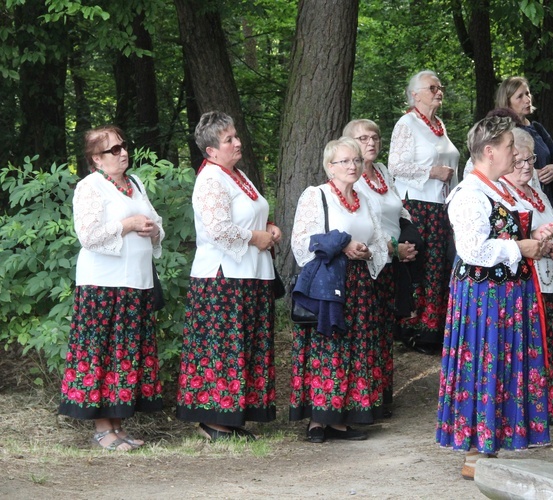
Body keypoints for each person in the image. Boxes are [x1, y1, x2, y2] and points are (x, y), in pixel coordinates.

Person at [436, 116, 553, 480]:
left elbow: (505, 230)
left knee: (500, 364)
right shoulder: (470, 193)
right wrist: (521, 246)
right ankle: (475, 449)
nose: (514, 152)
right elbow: (472, 249)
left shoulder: (499, 188)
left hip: (506, 294)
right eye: (508, 147)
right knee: (483, 363)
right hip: (484, 297)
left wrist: (536, 236)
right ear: (489, 152)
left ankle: (490, 444)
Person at [175, 111, 281, 440]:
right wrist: (255, 237)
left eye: (236, 135)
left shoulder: (238, 175)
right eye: (228, 140)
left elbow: (251, 215)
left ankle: (234, 417)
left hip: (250, 274)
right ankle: (213, 421)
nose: (237, 142)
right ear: (210, 151)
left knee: (245, 346)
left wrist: (269, 228)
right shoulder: (211, 179)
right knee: (222, 349)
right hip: (223, 279)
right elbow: (217, 229)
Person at [59, 125, 164, 451]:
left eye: (123, 146)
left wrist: (152, 230)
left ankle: (119, 426)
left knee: (126, 354)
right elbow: (88, 235)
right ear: (96, 159)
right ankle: (103, 430)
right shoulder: (89, 187)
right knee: (103, 353)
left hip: (136, 282)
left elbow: (157, 223)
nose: (122, 153)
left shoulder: (134, 183)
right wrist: (128, 225)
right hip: (103, 284)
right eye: (113, 150)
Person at [290, 136, 388, 443]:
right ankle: (318, 420)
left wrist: (368, 253)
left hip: (359, 285)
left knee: (355, 349)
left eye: (356, 160)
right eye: (344, 161)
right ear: (329, 167)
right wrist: (343, 246)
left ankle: (344, 419)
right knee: (325, 347)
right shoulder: (316, 195)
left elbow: (380, 242)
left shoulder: (366, 199)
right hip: (329, 283)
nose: (352, 166)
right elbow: (302, 242)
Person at [343, 119, 419, 415]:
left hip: (392, 263)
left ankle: (382, 394)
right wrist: (392, 247)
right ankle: (365, 399)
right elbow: (362, 224)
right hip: (368, 261)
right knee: (368, 331)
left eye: (375, 137)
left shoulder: (383, 172)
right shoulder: (352, 178)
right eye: (363, 138)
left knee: (386, 331)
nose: (371, 143)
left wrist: (409, 239)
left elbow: (398, 207)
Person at [388, 69, 460, 352]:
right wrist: (432, 171)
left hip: (441, 206)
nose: (439, 91)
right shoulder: (407, 123)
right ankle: (411, 328)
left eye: (440, 87)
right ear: (415, 94)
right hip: (416, 205)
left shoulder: (439, 125)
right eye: (432, 88)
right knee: (421, 266)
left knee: (438, 266)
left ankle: (434, 329)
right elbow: (395, 165)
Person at [503, 127, 553, 425]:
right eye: (519, 161)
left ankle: (549, 410)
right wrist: (536, 244)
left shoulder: (537, 190)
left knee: (549, 345)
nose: (526, 167)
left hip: (548, 282)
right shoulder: (501, 195)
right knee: (527, 349)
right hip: (523, 287)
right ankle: (525, 414)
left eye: (530, 160)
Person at [495, 76, 553, 215]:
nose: (527, 100)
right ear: (507, 102)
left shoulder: (537, 128)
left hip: (545, 201)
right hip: (517, 203)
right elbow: (497, 169)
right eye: (519, 97)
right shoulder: (502, 132)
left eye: (527, 94)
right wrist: (532, 174)